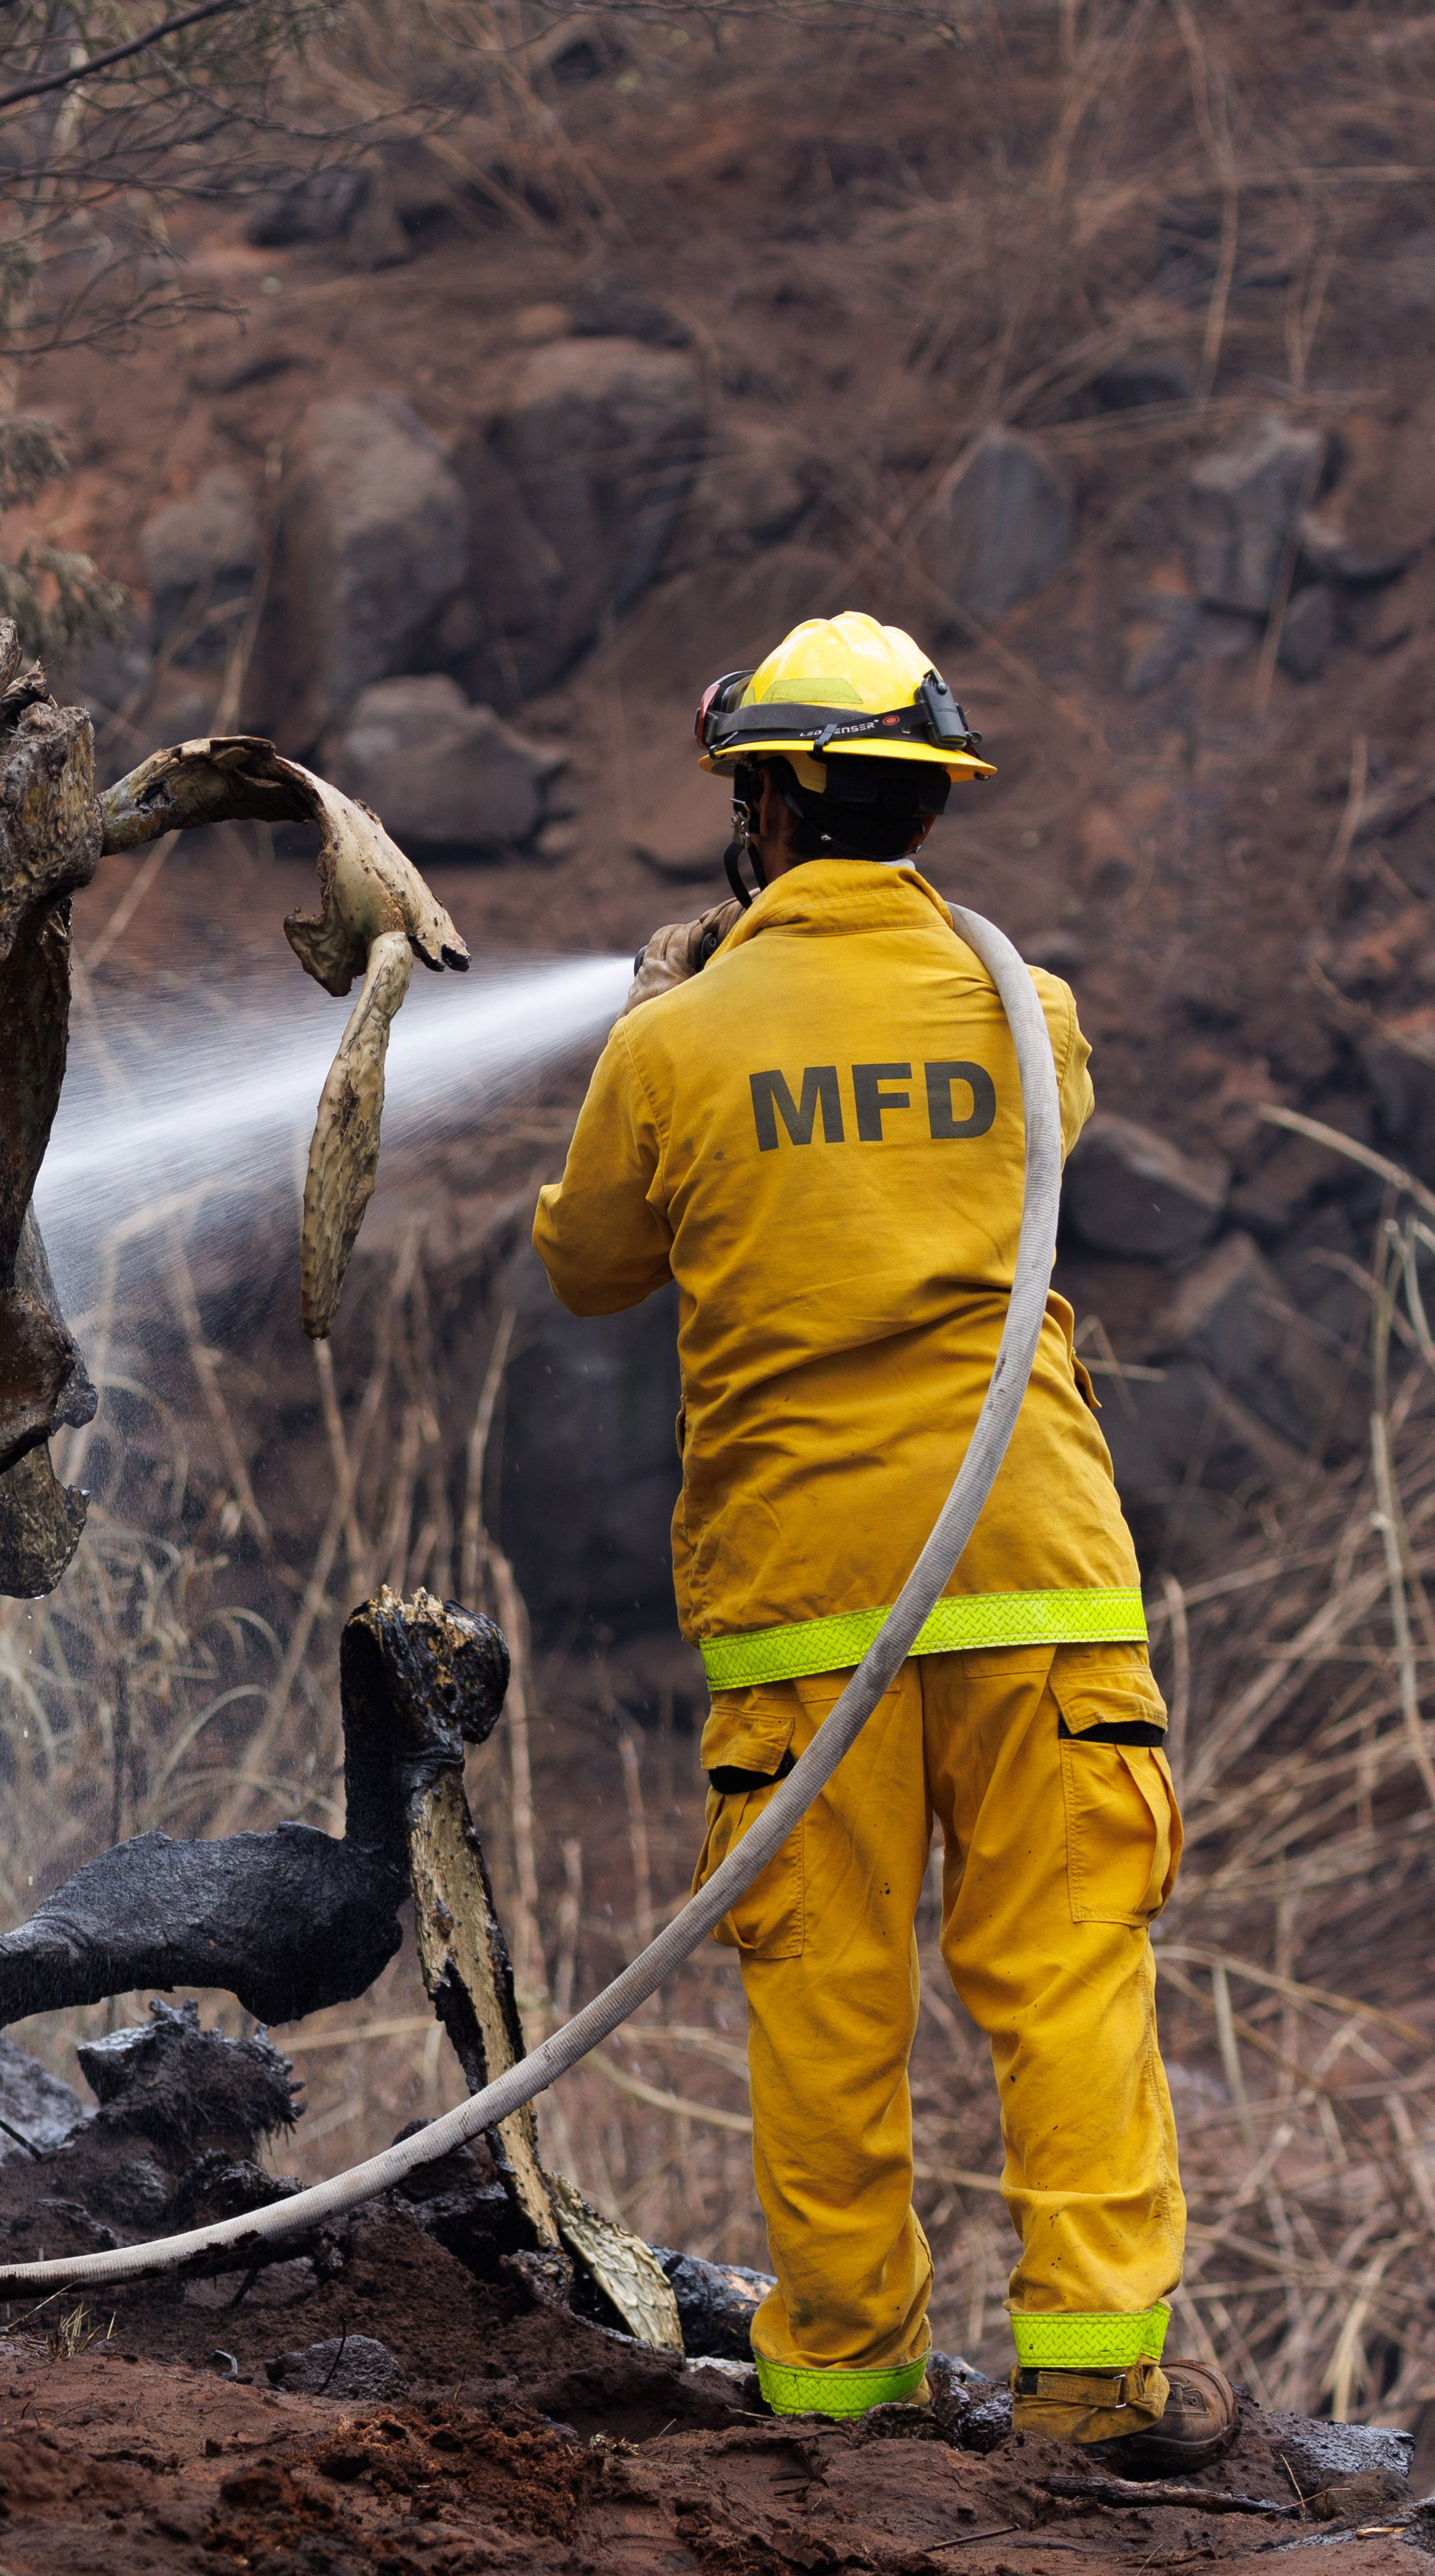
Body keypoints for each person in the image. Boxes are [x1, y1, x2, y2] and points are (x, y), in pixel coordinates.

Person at [529, 612, 1227, 2473]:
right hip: (1040, 1570)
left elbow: (590, 1266)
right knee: (1071, 1967)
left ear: (760, 803)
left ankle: (845, 2396)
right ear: (930, 802)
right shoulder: (1033, 1014)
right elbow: (1027, 1144)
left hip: (803, 1607)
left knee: (829, 2000)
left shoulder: (673, 1047)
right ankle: (1100, 2388)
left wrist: (669, 1011)